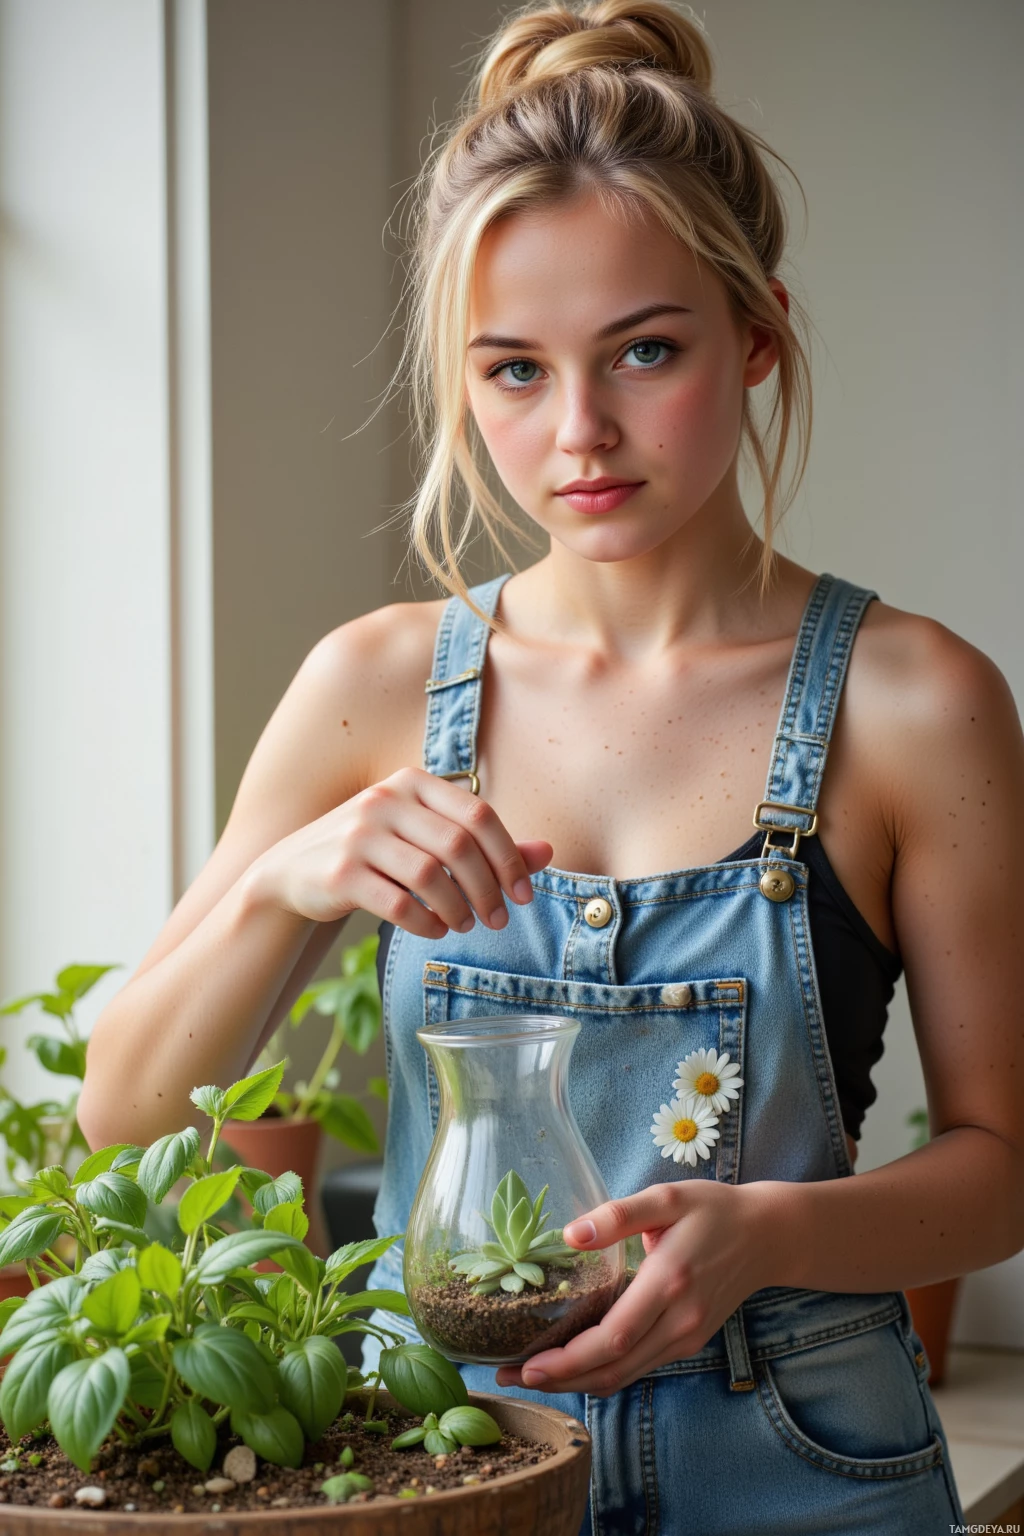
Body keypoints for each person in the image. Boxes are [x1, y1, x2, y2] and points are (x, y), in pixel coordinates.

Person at [80, 2, 1023, 1530]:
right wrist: (287, 883)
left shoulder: (918, 701)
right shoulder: (373, 685)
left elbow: (1001, 1168)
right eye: (513, 371)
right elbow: (120, 1113)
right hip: (430, 1467)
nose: (579, 432)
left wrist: (766, 1235)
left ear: (760, 333)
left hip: (806, 1470)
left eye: (644, 351)